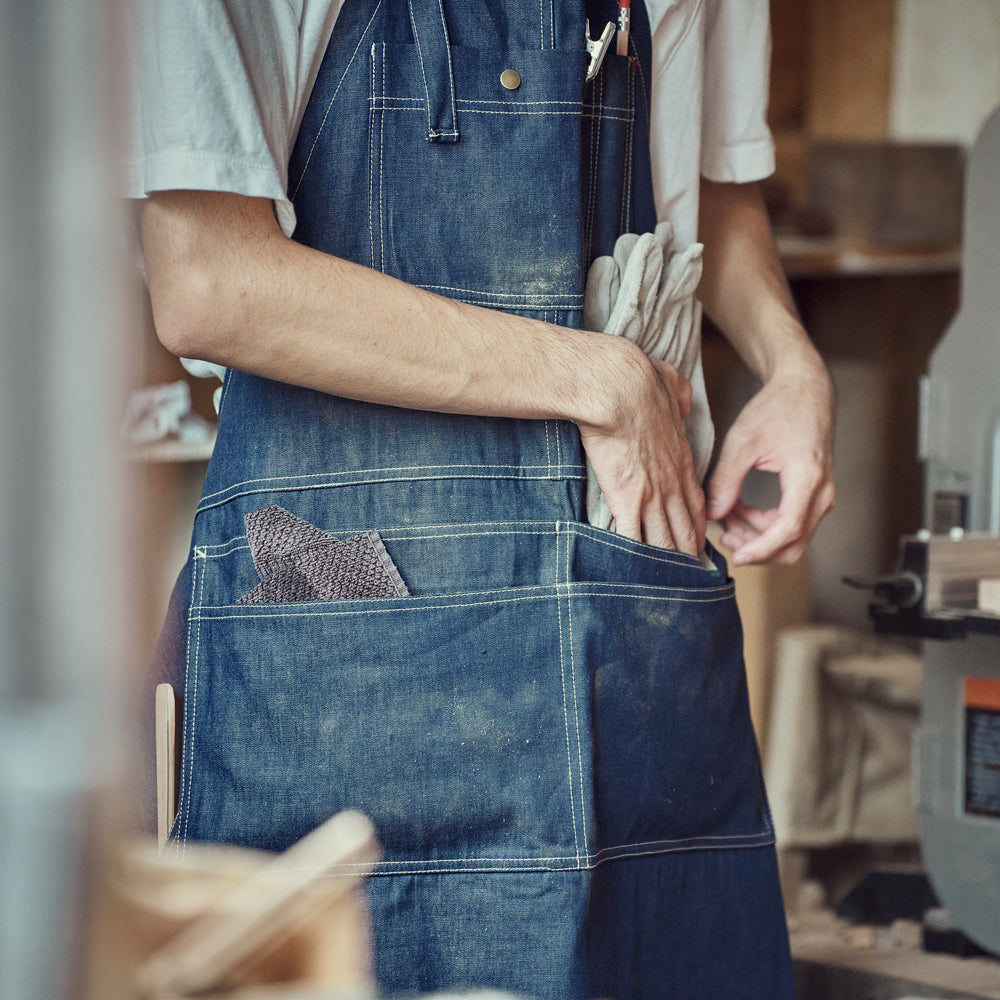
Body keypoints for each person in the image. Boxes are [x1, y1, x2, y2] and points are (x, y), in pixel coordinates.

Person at [129, 1, 835, 997]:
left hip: (625, 600)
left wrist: (792, 367)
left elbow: (712, 179)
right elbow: (208, 276)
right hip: (341, 591)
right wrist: (597, 380)